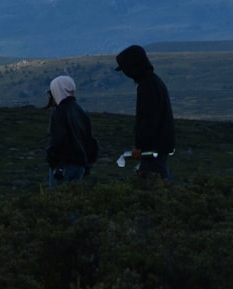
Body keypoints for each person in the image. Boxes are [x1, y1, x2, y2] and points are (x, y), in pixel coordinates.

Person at [114, 45, 175, 179]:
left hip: (152, 150)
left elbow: (149, 120)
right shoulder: (153, 82)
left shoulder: (147, 86)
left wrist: (141, 146)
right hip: (159, 149)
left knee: (152, 186)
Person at [44, 75, 99, 186]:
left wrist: (52, 161)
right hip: (80, 165)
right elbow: (90, 141)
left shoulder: (59, 112)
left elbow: (57, 140)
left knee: (57, 200)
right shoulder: (82, 111)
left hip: (62, 166)